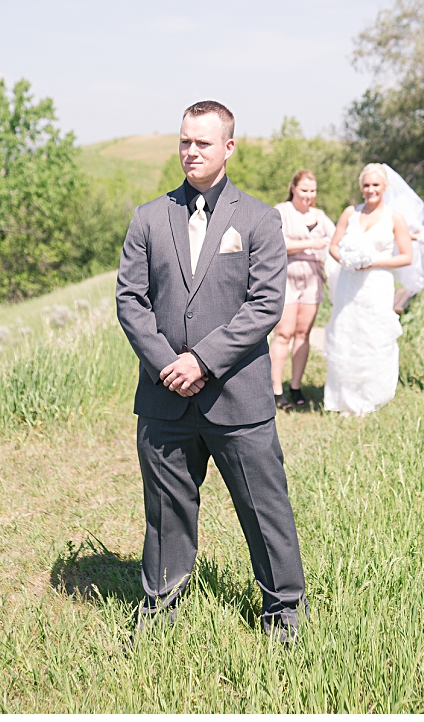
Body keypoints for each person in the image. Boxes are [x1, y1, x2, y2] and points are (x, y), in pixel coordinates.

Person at [115, 100, 307, 642]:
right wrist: (166, 365)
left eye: (202, 142)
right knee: (165, 511)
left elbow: (266, 303)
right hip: (164, 397)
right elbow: (130, 299)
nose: (191, 151)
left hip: (237, 395)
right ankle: (159, 609)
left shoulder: (258, 218)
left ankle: (283, 610)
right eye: (184, 141)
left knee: (264, 507)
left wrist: (202, 360)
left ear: (228, 147)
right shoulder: (148, 217)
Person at [323, 163, 414, 415]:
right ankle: (342, 398)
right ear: (361, 187)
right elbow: (334, 246)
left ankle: (372, 396)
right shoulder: (350, 213)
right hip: (349, 283)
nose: (371, 189)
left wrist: (372, 262)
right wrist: (347, 260)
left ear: (384, 187)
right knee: (347, 333)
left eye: (375, 185)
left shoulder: (394, 217)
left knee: (373, 335)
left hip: (377, 284)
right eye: (366, 185)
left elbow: (406, 256)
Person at [270, 170, 336, 411]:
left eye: (312, 190)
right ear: (294, 188)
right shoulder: (282, 211)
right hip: (286, 277)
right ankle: (275, 388)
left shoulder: (320, 215)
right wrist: (312, 244)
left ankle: (296, 386)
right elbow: (277, 243)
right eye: (304, 190)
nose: (308, 195)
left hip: (313, 279)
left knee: (303, 334)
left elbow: (336, 239)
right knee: (284, 333)